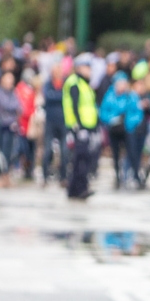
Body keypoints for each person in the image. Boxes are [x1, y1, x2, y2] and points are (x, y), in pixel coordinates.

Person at [61, 57, 99, 201]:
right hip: (79, 127)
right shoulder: (75, 83)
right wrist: (78, 126)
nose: (90, 71)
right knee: (80, 158)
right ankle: (77, 188)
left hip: (88, 126)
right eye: (87, 67)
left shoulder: (84, 84)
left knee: (84, 157)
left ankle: (78, 188)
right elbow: (75, 106)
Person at [99, 74, 145, 191]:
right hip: (114, 129)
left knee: (132, 153)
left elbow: (138, 113)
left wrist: (129, 122)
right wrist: (112, 119)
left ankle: (136, 176)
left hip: (127, 129)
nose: (121, 86)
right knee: (115, 154)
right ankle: (118, 177)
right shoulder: (109, 96)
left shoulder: (131, 96)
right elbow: (103, 112)